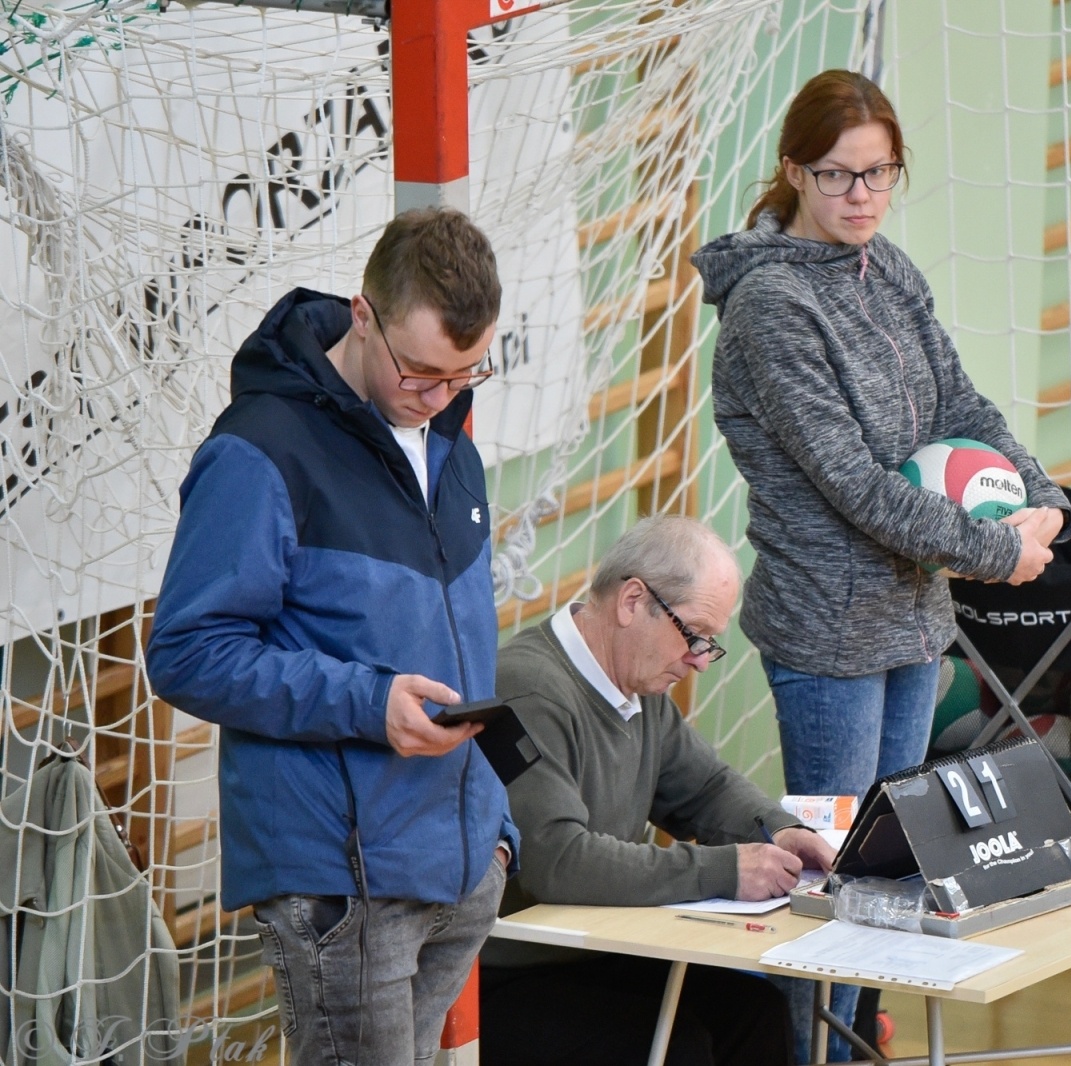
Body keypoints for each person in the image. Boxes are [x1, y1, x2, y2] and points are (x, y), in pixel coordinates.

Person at [691, 69, 1071, 1058]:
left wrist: (1040, 499)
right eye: (837, 175)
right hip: (828, 633)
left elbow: (962, 409)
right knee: (832, 873)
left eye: (879, 173)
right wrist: (996, 549)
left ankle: (859, 1043)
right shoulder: (772, 307)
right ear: (793, 171)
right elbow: (855, 484)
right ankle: (812, 1050)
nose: (861, 196)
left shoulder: (886, 269)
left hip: (911, 620)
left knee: (893, 871)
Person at [147, 207, 518, 1066]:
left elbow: (460, 639)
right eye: (421, 372)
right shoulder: (257, 453)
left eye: (466, 373)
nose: (441, 397)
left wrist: (495, 829)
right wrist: (369, 702)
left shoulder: (448, 436)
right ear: (362, 316)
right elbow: (187, 652)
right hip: (343, 882)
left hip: (457, 866)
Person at [481, 515, 832, 1066]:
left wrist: (781, 831)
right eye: (694, 634)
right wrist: (724, 870)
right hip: (506, 971)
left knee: (755, 1011)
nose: (701, 661)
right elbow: (558, 862)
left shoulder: (637, 689)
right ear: (632, 601)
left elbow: (705, 788)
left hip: (591, 951)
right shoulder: (528, 688)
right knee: (677, 1046)